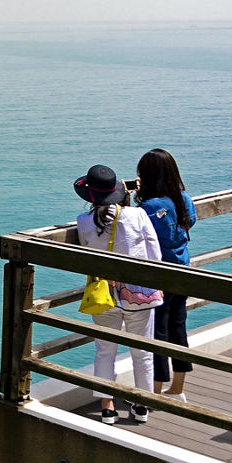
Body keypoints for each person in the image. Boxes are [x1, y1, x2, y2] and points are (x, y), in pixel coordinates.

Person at [75, 164, 162, 424]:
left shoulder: (83, 222)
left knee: (105, 350)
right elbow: (155, 256)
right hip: (139, 294)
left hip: (104, 295)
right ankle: (141, 405)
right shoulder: (136, 216)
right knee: (142, 352)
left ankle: (107, 406)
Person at [136, 148, 197, 402]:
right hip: (183, 270)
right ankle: (178, 389)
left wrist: (135, 199)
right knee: (178, 327)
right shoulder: (185, 198)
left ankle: (156, 392)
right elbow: (189, 222)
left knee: (157, 332)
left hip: (159, 276)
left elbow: (138, 232)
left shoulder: (147, 207)